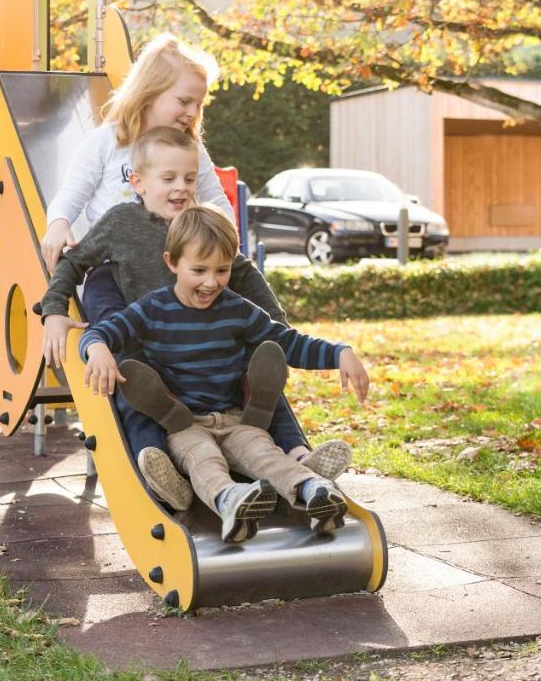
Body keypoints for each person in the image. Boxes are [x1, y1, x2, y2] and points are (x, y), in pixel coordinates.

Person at [39, 126, 350, 509]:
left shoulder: (200, 223)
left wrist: (276, 324)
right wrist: (54, 310)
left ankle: (300, 456)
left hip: (207, 339)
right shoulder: (120, 222)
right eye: (168, 178)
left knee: (262, 371)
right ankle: (158, 470)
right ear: (138, 182)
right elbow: (73, 263)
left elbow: (242, 271)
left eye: (189, 178)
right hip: (153, 343)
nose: (181, 187)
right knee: (136, 388)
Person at [76, 205, 371, 542]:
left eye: (222, 270)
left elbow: (288, 342)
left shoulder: (238, 310)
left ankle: (314, 491)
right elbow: (103, 332)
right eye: (199, 270)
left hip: (234, 419)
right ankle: (229, 500)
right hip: (184, 424)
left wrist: (339, 352)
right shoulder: (152, 309)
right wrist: (96, 347)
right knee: (203, 460)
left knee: (265, 454)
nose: (211, 282)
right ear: (172, 262)